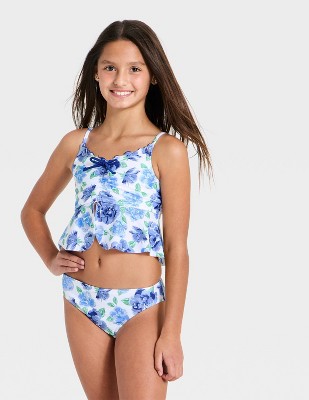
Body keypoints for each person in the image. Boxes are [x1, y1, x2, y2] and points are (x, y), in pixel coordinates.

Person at [20, 19, 212, 399]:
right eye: (110, 67)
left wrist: (172, 333)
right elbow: (32, 211)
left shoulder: (167, 151)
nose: (120, 79)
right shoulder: (76, 143)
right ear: (96, 73)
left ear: (153, 76)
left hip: (141, 305)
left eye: (134, 69)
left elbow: (177, 248)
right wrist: (50, 258)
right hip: (80, 299)